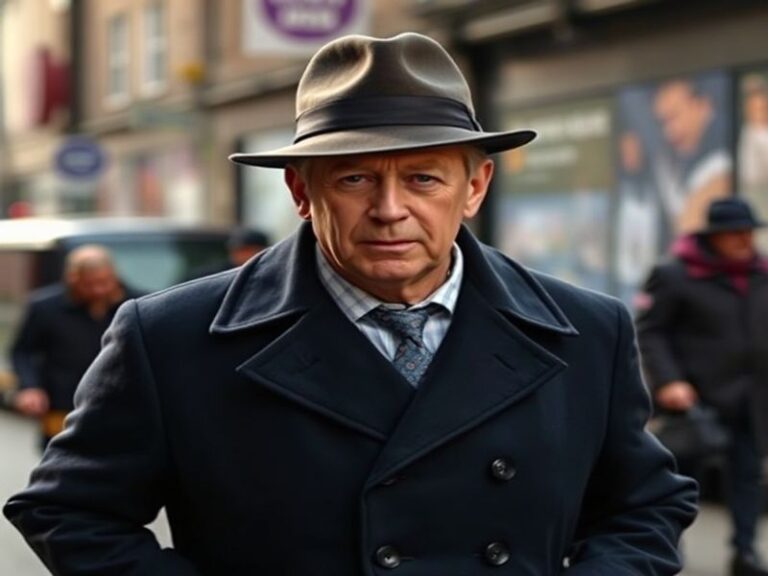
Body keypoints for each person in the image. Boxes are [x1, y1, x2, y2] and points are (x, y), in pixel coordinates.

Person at [4, 32, 697, 575]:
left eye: (424, 178)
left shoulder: (585, 331)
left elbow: (647, 506)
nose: (390, 210)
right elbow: (70, 512)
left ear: (475, 187)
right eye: (356, 178)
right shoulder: (171, 338)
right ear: (302, 193)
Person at [636, 197, 768, 576]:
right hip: (693, 400)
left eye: (748, 232)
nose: (745, 240)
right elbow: (651, 331)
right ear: (715, 237)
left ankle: (745, 553)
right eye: (735, 234)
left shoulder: (761, 273)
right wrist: (669, 380)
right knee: (676, 483)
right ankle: (667, 552)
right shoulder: (676, 275)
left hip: (751, 399)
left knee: (747, 479)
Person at [9, 244, 138, 449]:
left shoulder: (138, 305)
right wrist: (30, 386)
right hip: (62, 410)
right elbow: (23, 351)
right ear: (72, 279)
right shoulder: (44, 307)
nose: (98, 291)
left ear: (114, 275)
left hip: (123, 408)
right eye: (89, 284)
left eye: (104, 282)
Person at [651, 78, 732, 237]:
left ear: (701, 106)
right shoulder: (671, 158)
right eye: (663, 123)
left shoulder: (723, 150)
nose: (669, 131)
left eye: (674, 117)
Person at [187, 227, 271, 279]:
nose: (240, 254)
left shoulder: (269, 273)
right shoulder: (212, 275)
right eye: (237, 250)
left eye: (246, 250)